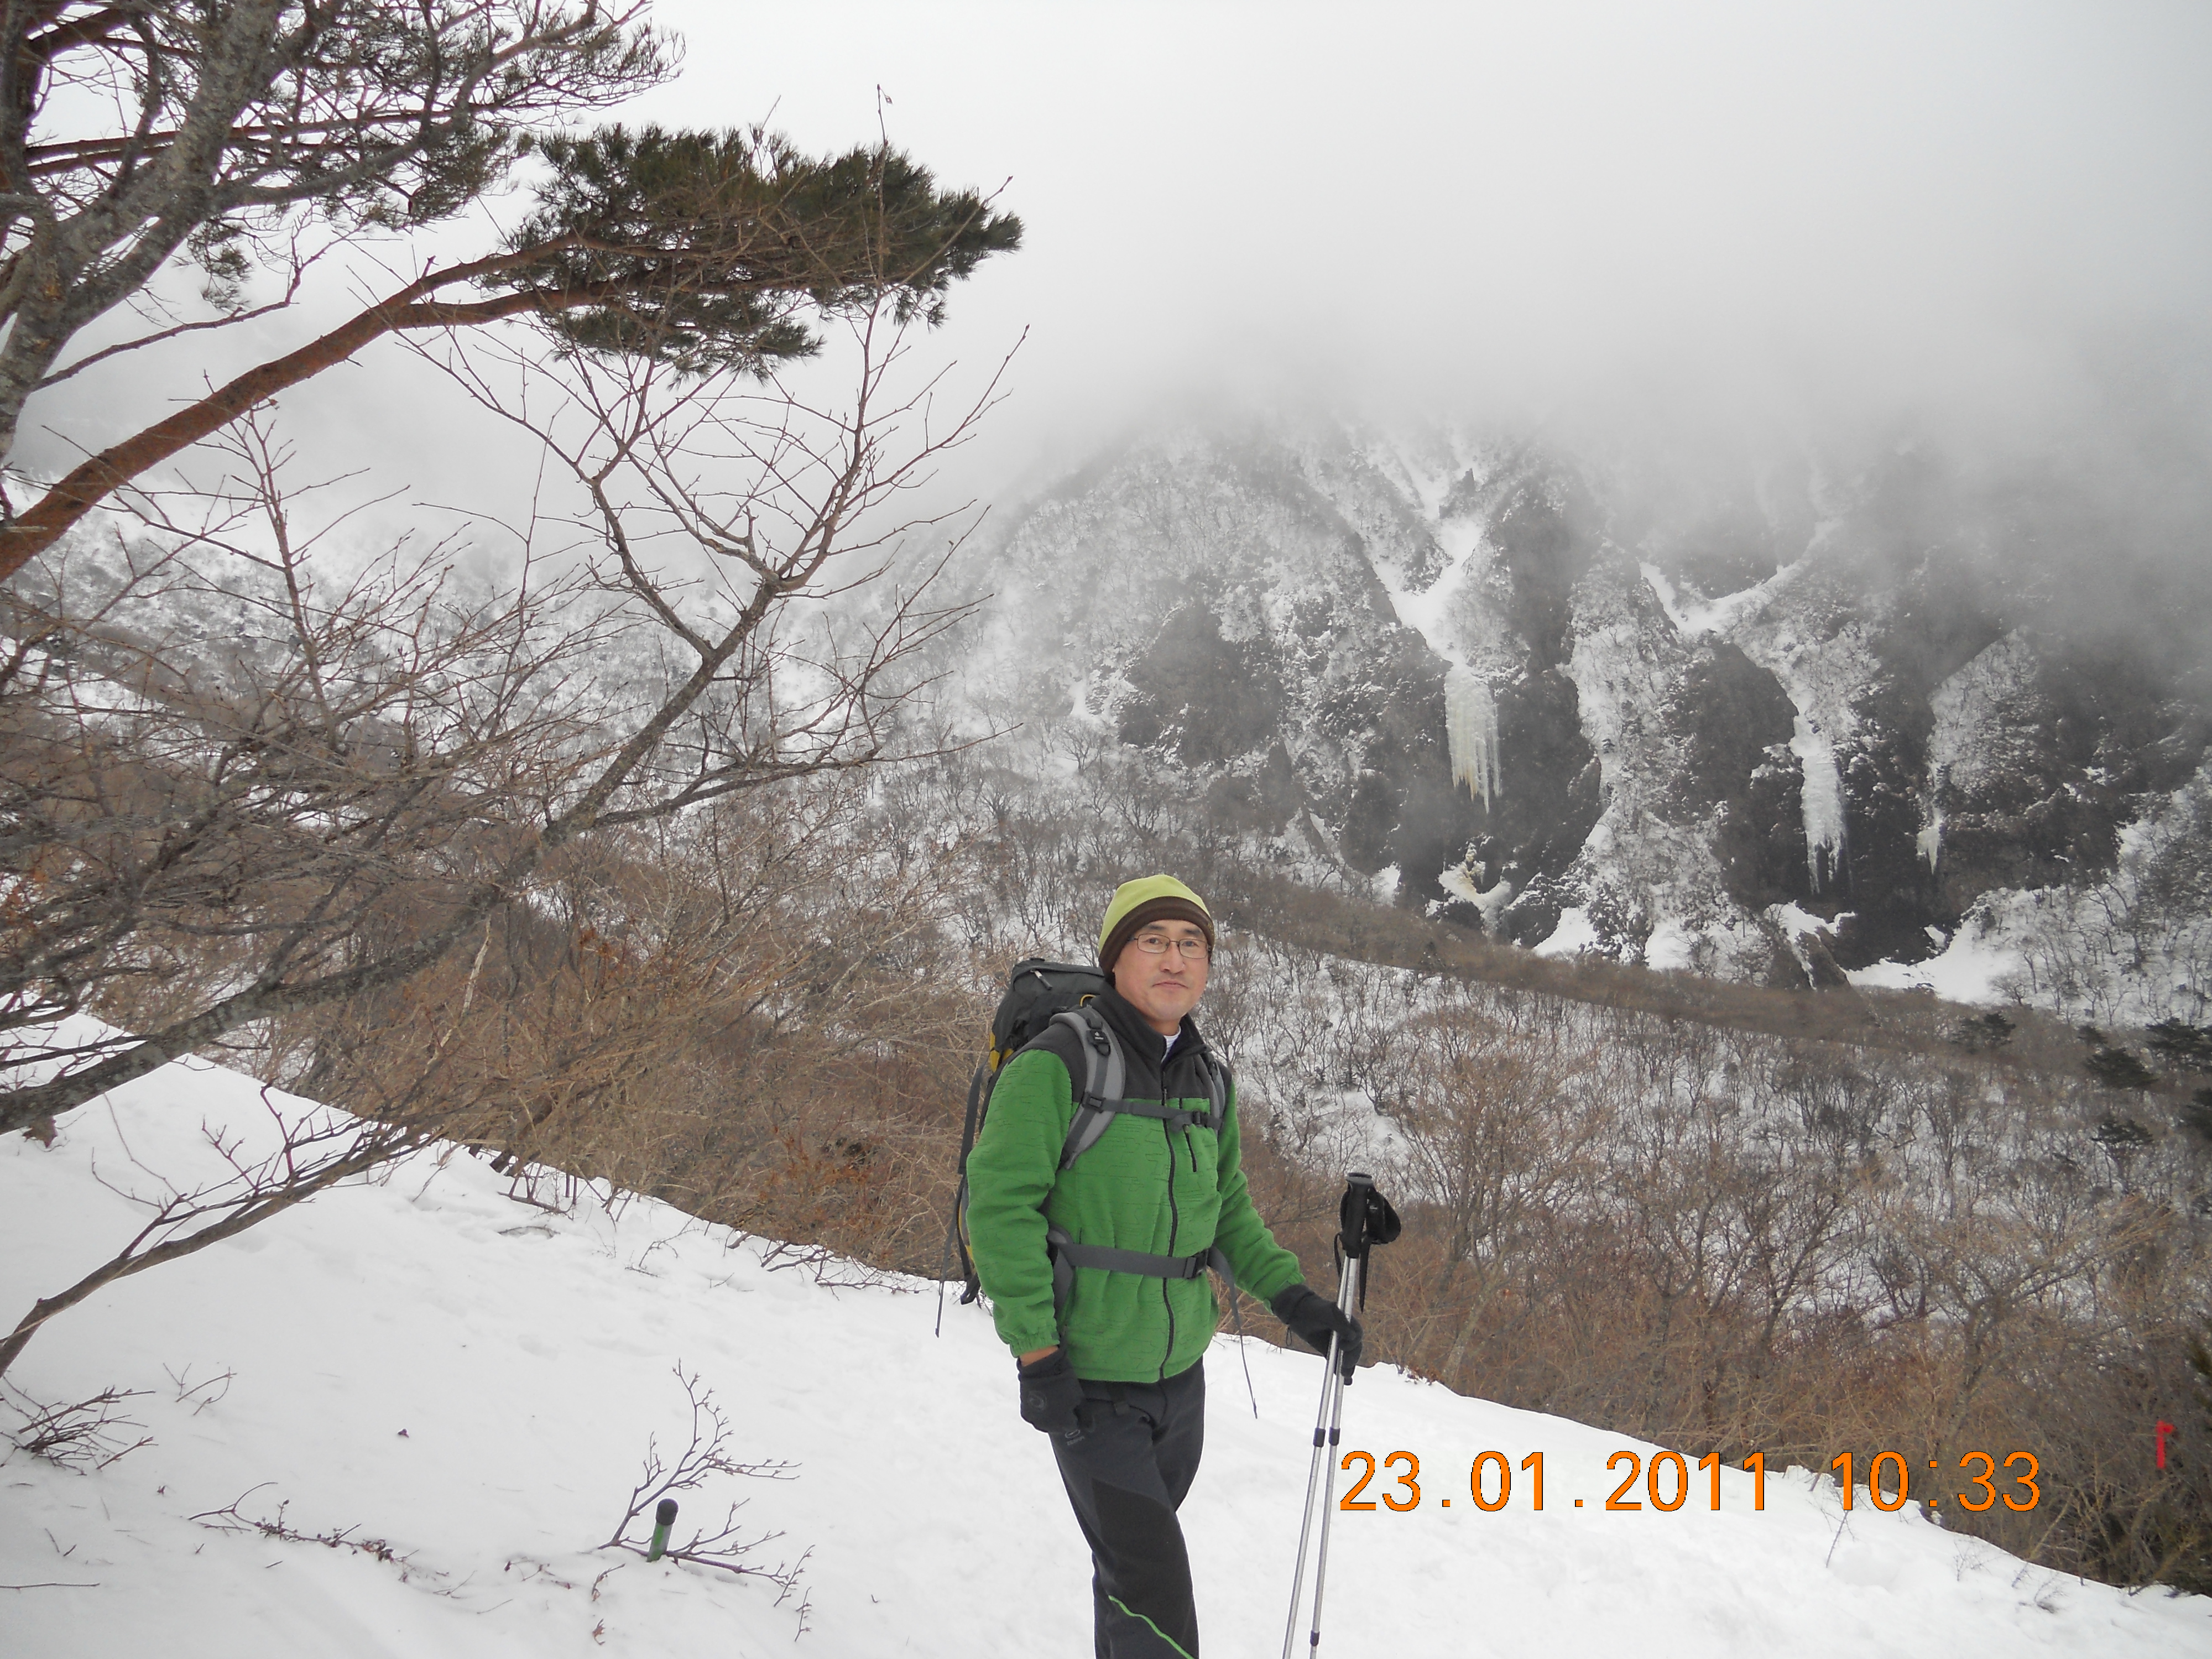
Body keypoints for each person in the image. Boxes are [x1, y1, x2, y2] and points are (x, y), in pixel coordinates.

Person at [963, 874, 1362, 1659]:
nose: (1175, 960)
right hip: (1089, 1383)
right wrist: (1038, 1354)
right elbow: (1001, 1210)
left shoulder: (1208, 1078)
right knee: (1155, 1592)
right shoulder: (1057, 1065)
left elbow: (1228, 1212)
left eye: (1191, 945)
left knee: (1130, 1580)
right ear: (1115, 958)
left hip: (1181, 1381)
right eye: (1153, 941)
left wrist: (1297, 1302)